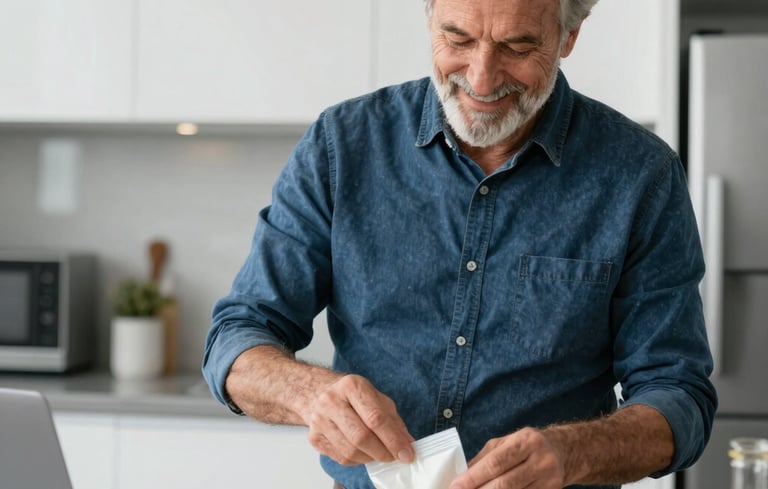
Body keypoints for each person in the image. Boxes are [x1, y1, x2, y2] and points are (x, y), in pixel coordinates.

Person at [203, 0, 718, 487]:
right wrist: (309, 395)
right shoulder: (342, 146)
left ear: (569, 35)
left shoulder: (639, 174)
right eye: (458, 38)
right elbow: (237, 337)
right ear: (430, 21)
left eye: (517, 47)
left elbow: (680, 396)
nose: (481, 77)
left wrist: (572, 451)